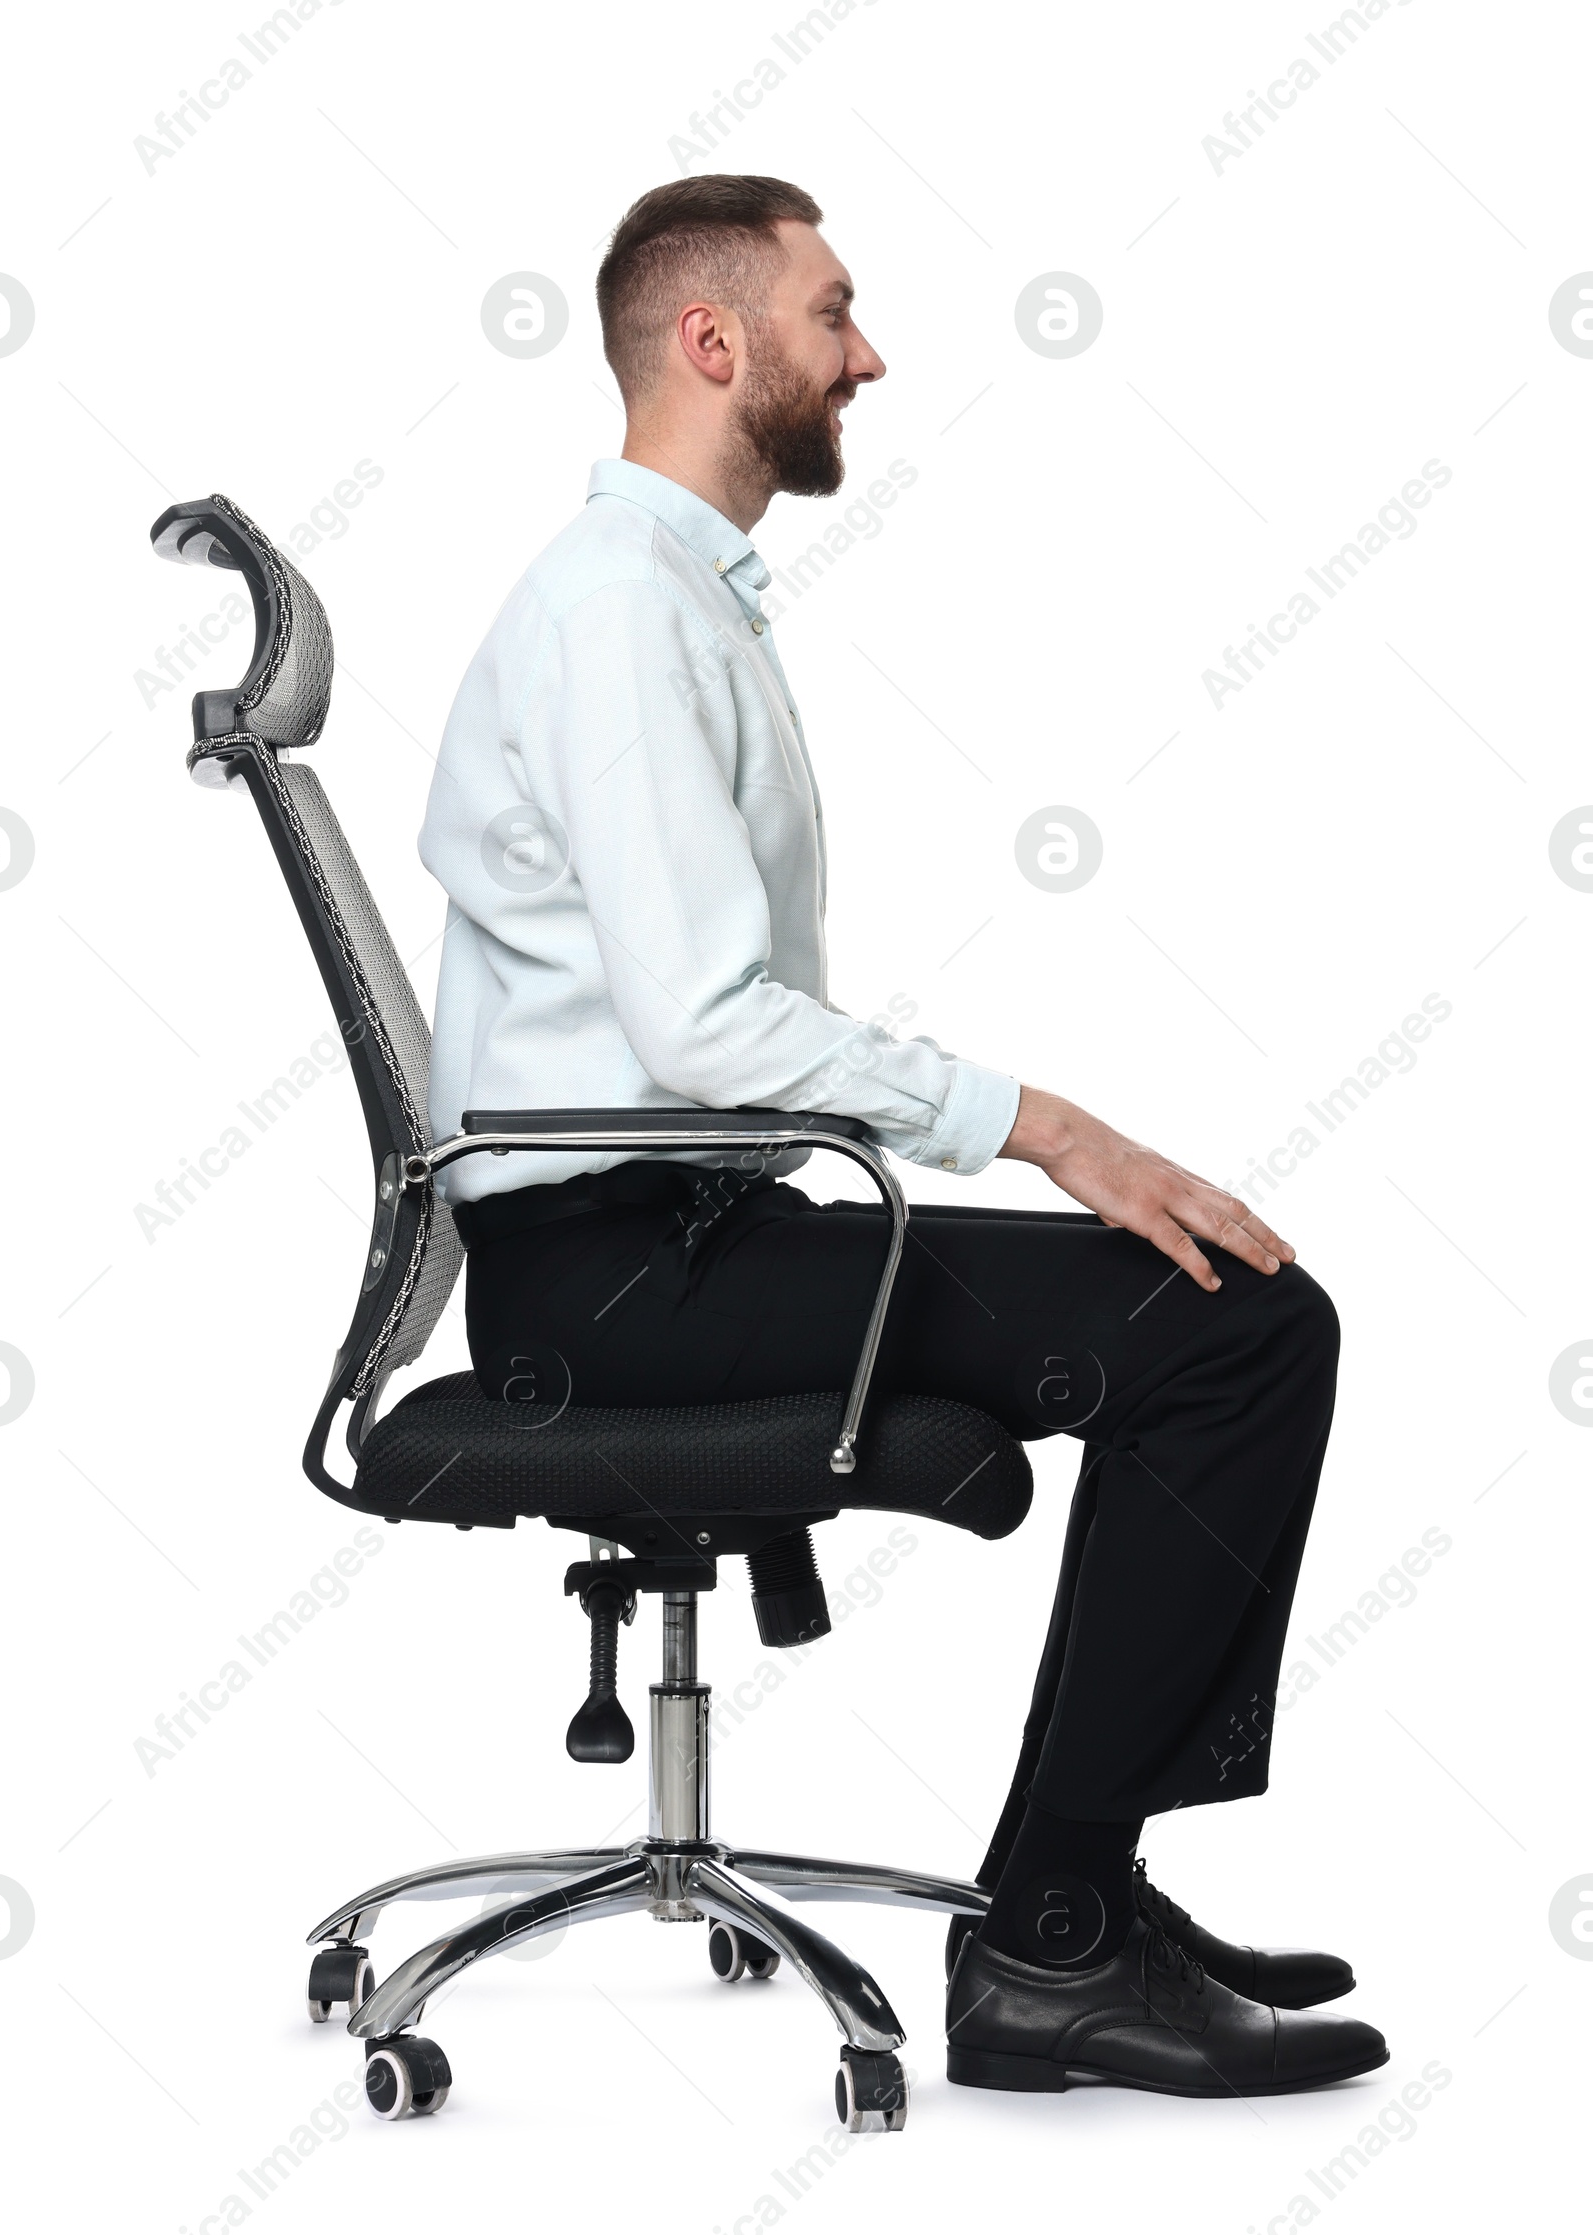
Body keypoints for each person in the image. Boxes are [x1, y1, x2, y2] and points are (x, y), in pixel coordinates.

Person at [417, 173, 1388, 2098]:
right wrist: (1040, 1126)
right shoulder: (620, 612)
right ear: (716, 344)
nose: (867, 353)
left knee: (1236, 1310)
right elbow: (697, 1023)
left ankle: (1078, 1890)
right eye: (832, 311)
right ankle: (1051, 1938)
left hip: (662, 1240)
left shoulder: (664, 596)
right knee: (1236, 1328)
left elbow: (691, 1018)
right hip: (618, 1273)